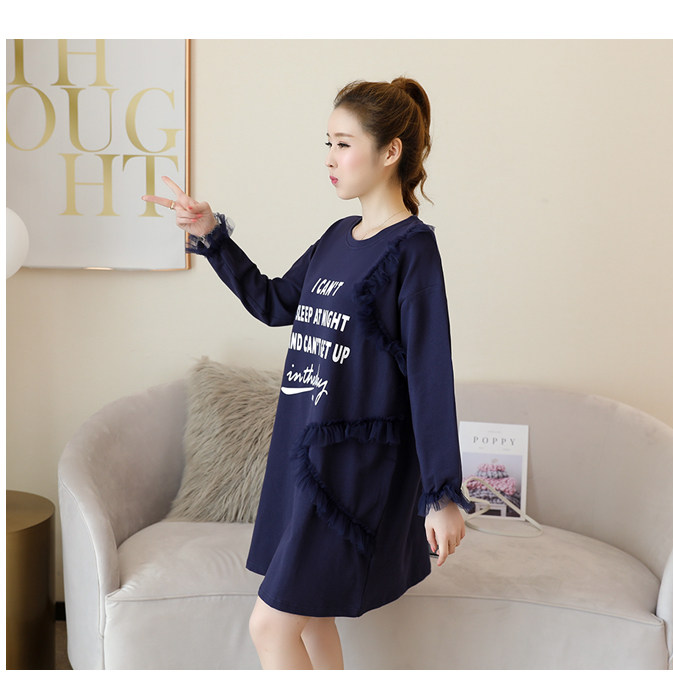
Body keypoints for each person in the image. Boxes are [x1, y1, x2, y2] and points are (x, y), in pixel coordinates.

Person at [143, 77, 474, 670]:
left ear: (390, 151)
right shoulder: (336, 238)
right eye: (329, 143)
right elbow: (274, 303)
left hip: (353, 470)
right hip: (302, 456)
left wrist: (442, 493)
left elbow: (430, 377)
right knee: (311, 619)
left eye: (344, 144)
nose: (330, 158)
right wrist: (211, 235)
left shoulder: (412, 250)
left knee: (270, 625)